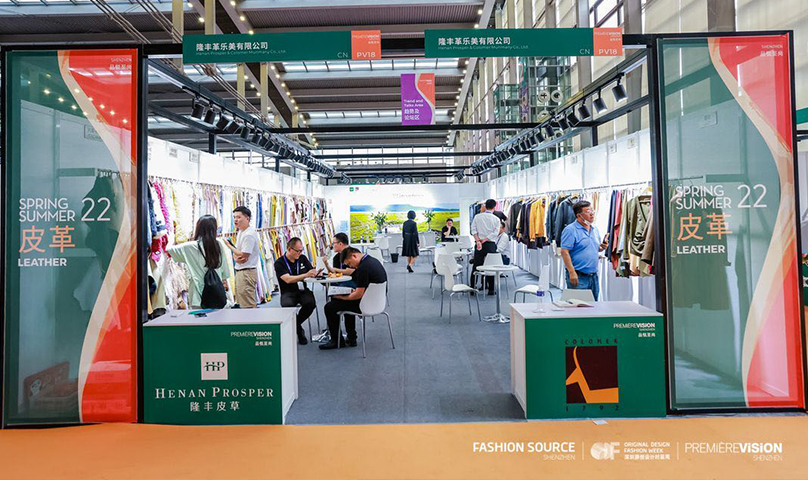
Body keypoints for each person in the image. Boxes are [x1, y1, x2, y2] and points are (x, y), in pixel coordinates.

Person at [320, 246, 387, 350]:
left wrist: (341, 297)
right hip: (378, 302)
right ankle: (351, 337)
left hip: (365, 305)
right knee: (344, 302)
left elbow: (357, 295)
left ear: (354, 256)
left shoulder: (363, 268)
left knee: (330, 307)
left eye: (349, 263)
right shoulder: (372, 261)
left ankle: (336, 340)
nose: (350, 266)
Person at [166, 215, 230, 309]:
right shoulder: (218, 244)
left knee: (198, 317)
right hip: (215, 293)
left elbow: (168, 251)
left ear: (198, 228)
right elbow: (225, 271)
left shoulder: (189, 247)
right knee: (216, 317)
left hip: (197, 295)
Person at [274, 237, 320, 345]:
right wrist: (305, 275)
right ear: (289, 249)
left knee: (310, 303)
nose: (300, 253)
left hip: (303, 290)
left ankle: (295, 325)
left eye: (301, 250)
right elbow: (288, 279)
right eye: (297, 251)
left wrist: (316, 273)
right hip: (288, 292)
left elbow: (311, 270)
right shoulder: (279, 263)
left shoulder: (302, 258)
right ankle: (299, 331)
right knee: (287, 306)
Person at [560, 200, 607, 300]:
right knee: (578, 305)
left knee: (593, 305)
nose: (592, 213)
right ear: (579, 215)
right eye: (588, 211)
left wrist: (601, 247)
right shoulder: (570, 230)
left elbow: (592, 248)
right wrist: (571, 272)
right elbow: (564, 252)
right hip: (578, 275)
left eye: (592, 210)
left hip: (593, 276)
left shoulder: (594, 229)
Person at [225, 206, 260, 308]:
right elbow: (239, 256)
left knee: (247, 304)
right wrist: (237, 256)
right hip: (242, 271)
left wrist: (228, 246)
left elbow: (243, 255)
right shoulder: (241, 232)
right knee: (242, 302)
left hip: (246, 272)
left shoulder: (248, 234)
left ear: (247, 218)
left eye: (239, 217)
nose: (235, 220)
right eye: (234, 217)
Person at [470, 198, 501, 294]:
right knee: (491, 266)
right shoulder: (496, 219)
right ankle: (491, 289)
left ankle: (472, 288)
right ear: (494, 207)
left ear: (485, 206)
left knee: (476, 265)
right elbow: (495, 233)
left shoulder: (477, 217)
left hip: (479, 244)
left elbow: (473, 230)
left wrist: (478, 241)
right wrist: (485, 239)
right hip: (490, 244)